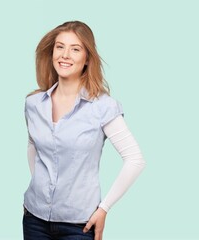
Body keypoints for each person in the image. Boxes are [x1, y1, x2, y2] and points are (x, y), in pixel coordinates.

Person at [22, 20, 146, 240]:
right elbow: (34, 146)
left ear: (87, 58)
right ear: (52, 53)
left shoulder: (103, 107)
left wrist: (104, 208)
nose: (65, 55)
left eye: (75, 49)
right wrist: (42, 190)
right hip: (34, 220)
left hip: (79, 225)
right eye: (60, 47)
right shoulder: (34, 104)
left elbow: (135, 159)